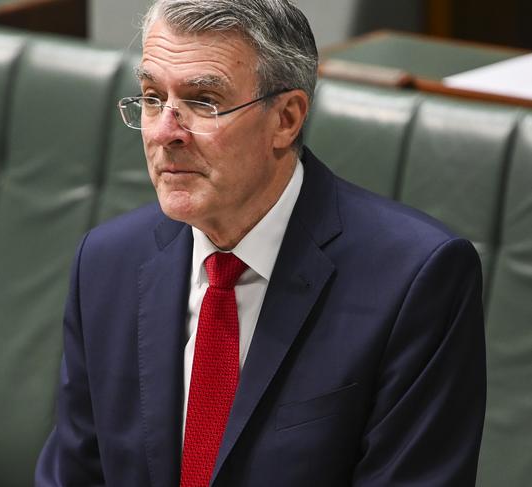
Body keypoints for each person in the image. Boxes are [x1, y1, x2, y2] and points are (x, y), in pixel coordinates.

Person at [35, 0, 486, 485]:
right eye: (150, 97)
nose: (165, 132)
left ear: (286, 119)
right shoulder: (107, 264)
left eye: (203, 101)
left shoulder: (416, 280)